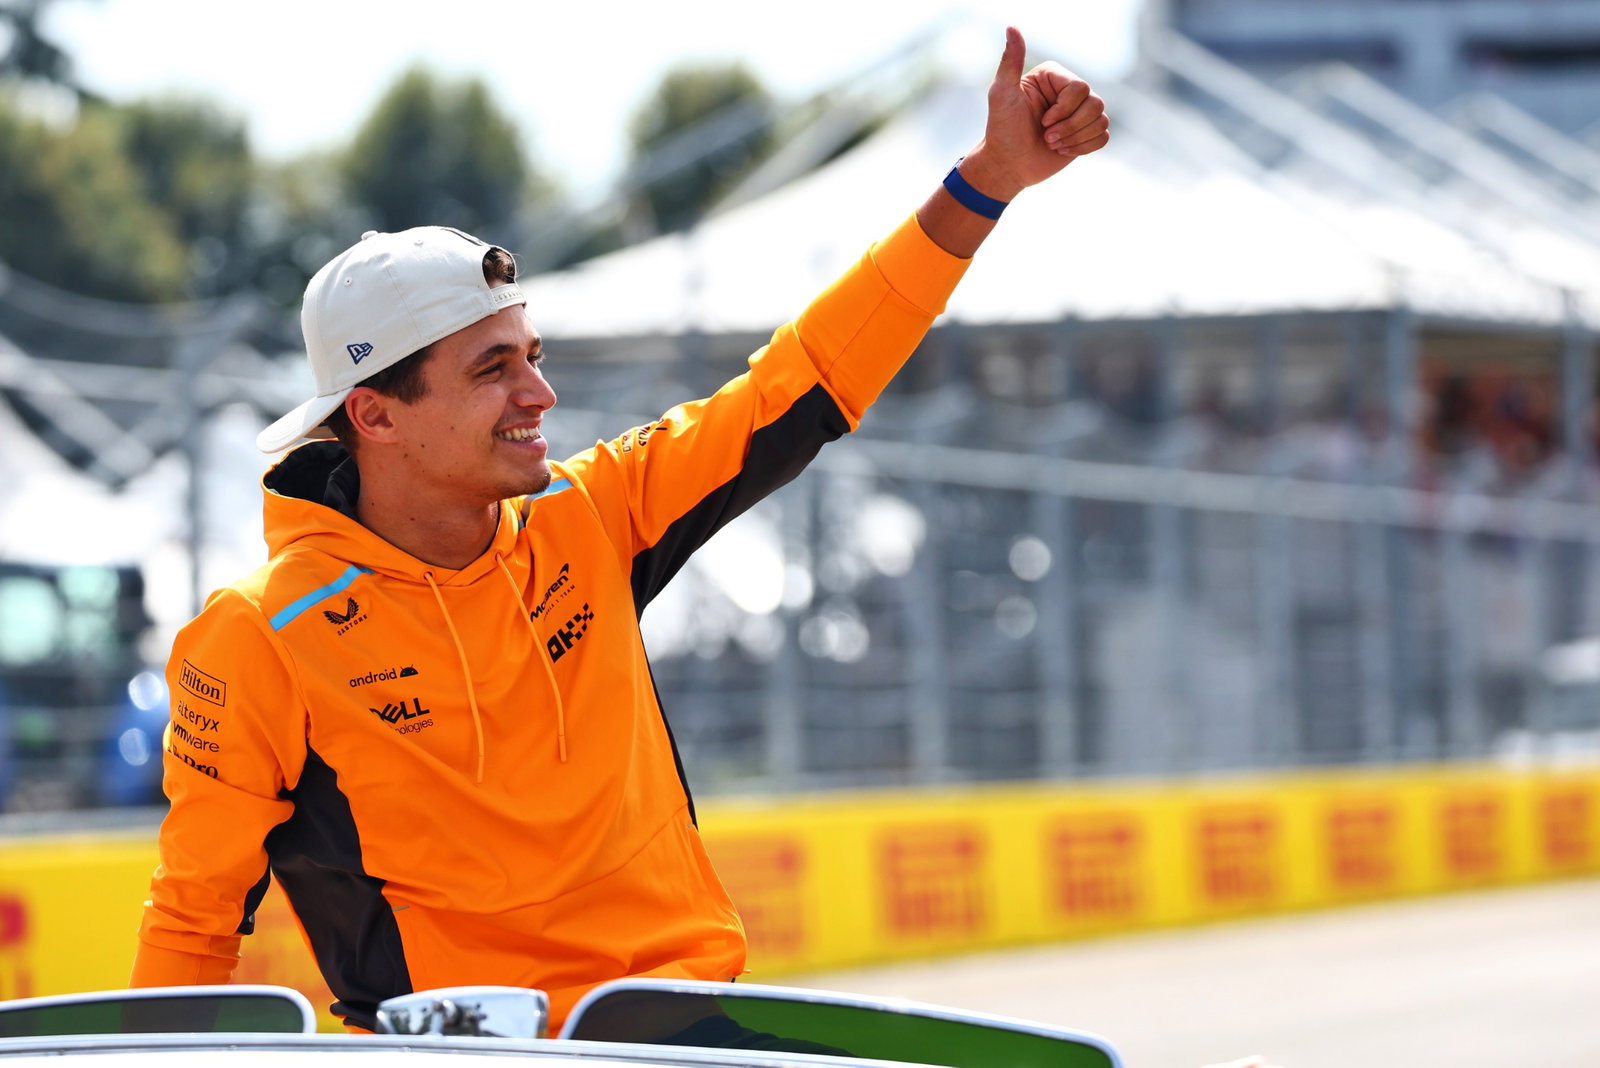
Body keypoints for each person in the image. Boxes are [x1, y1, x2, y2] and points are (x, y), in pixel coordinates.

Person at [130, 27, 1110, 1033]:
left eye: (530, 353)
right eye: (491, 369)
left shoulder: (591, 515)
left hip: (682, 1031)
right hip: (460, 1057)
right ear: (375, 416)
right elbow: (194, 918)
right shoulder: (261, 635)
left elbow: (806, 376)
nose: (538, 392)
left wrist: (985, 183)